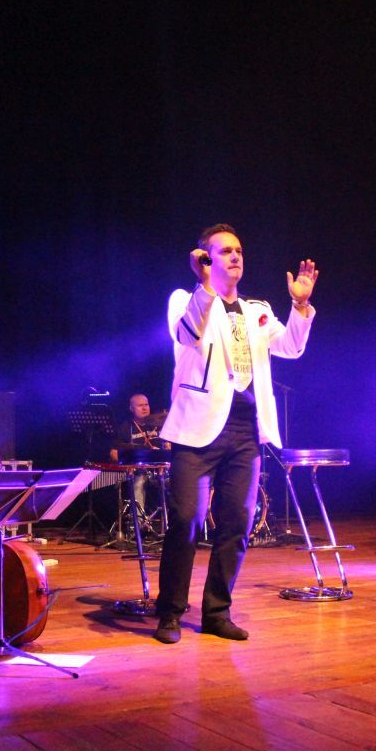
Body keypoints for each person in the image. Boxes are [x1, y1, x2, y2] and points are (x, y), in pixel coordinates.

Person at [154, 223, 317, 644]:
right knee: (187, 520)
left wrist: (300, 305)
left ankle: (216, 611)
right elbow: (188, 334)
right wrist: (205, 285)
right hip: (197, 431)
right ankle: (170, 612)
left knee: (238, 523)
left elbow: (291, 347)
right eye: (224, 250)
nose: (235, 256)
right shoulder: (185, 299)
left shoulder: (256, 309)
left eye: (239, 250)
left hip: (246, 432)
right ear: (204, 258)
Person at [110, 393, 167, 526]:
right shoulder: (126, 427)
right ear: (131, 408)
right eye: (140, 405)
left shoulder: (160, 425)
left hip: (161, 470)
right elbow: (113, 453)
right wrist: (127, 464)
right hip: (139, 471)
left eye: (146, 404)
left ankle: (173, 525)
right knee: (139, 482)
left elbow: (169, 449)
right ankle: (138, 526)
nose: (144, 408)